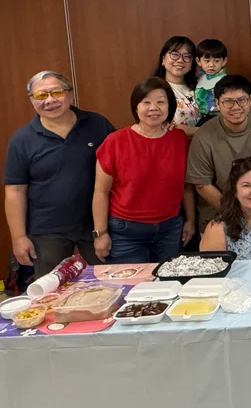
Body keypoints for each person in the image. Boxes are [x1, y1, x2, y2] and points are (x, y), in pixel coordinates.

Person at [4, 71, 114, 276]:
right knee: (51, 292)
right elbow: (15, 191)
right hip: (47, 230)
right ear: (31, 100)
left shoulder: (97, 124)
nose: (50, 100)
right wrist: (18, 237)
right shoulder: (22, 140)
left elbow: (119, 167)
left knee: (109, 280)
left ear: (70, 95)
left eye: (57, 92)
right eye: (41, 96)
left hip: (96, 225)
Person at [92, 78, 195, 263]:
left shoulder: (179, 139)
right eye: (146, 102)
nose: (153, 108)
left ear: (170, 107)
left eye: (160, 102)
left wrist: (190, 220)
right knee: (133, 287)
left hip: (170, 229)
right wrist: (100, 233)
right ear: (136, 107)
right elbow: (101, 191)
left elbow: (186, 185)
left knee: (167, 286)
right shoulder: (115, 141)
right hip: (126, 232)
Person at [186, 74, 251, 232]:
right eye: (228, 102)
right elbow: (202, 184)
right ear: (217, 104)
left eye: (242, 100)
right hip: (218, 216)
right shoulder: (204, 135)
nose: (236, 107)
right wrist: (237, 212)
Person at [153, 35, 201, 134]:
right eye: (174, 54)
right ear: (163, 59)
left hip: (204, 147)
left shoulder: (202, 87)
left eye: (187, 56)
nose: (180, 60)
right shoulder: (154, 90)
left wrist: (193, 131)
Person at [194, 38, 228, 121]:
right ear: (198, 61)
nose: (211, 65)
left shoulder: (226, 81)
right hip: (200, 119)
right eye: (207, 61)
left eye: (216, 61)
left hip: (220, 118)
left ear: (224, 61)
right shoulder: (198, 80)